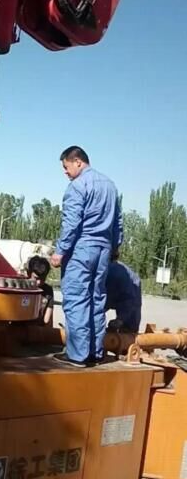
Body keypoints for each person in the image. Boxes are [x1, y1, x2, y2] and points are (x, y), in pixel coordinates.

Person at [50, 146, 123, 367]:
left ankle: (77, 355)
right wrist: (114, 248)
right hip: (103, 250)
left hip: (81, 249)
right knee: (96, 299)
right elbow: (117, 222)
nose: (65, 172)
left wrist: (60, 251)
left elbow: (71, 223)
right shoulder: (110, 185)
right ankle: (95, 352)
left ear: (78, 162)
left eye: (66, 167)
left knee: (76, 299)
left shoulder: (78, 186)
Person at [106, 251, 142, 332]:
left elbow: (129, 299)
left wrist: (120, 320)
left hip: (131, 293)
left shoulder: (115, 273)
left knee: (128, 331)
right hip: (120, 293)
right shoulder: (111, 269)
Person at [27, 255, 54, 327]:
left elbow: (47, 320)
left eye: (43, 279)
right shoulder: (22, 288)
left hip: (39, 329)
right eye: (35, 278)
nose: (39, 282)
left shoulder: (48, 291)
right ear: (28, 273)